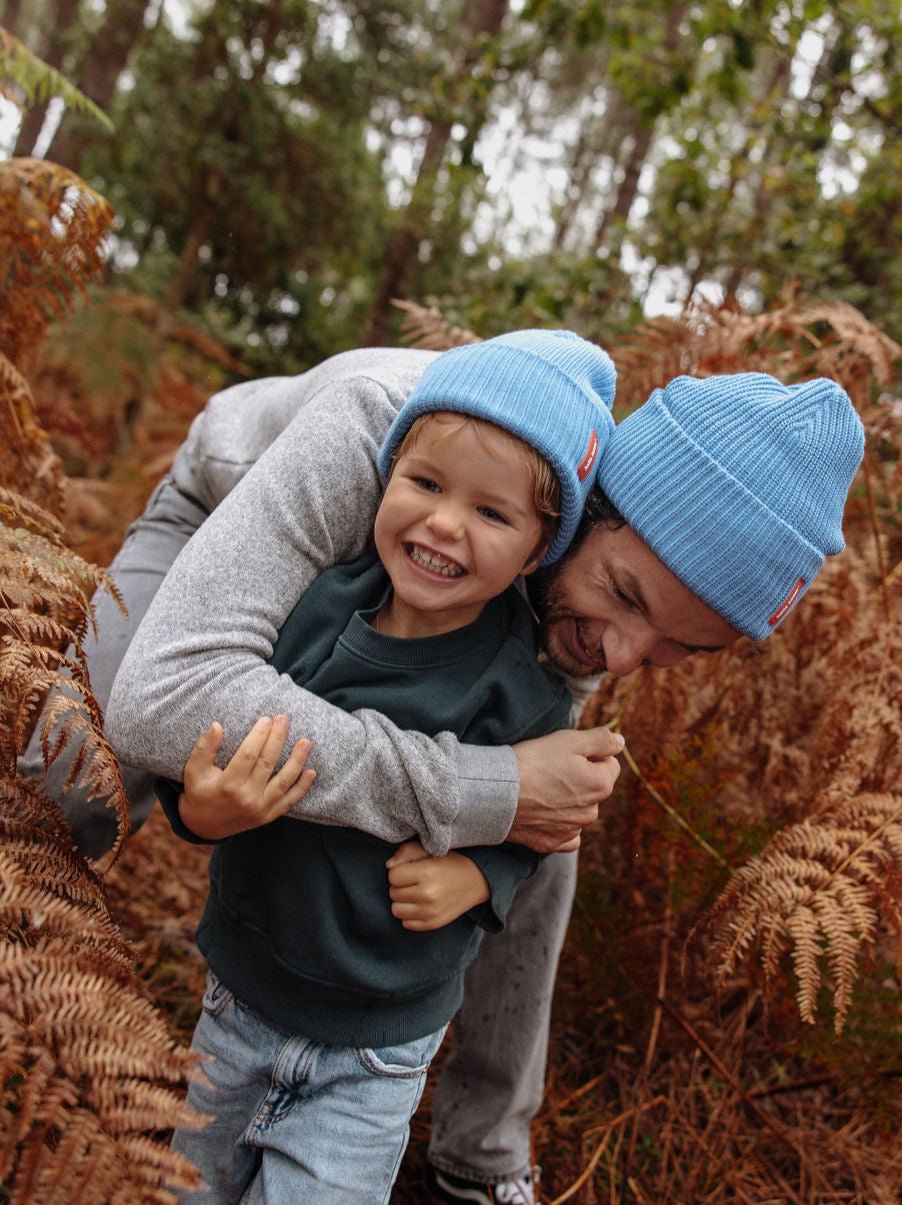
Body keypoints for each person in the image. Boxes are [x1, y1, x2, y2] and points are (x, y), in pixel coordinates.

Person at [24, 350, 864, 1205]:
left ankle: (482, 1153)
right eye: (627, 597)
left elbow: (527, 795)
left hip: (445, 574)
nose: (622, 655)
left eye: (682, 647)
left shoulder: (581, 572)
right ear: (591, 511)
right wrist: (480, 787)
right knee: (64, 774)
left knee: (547, 811)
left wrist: (507, 807)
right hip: (230, 516)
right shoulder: (376, 431)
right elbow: (166, 697)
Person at [158, 329, 616, 1203]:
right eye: (427, 483)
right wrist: (200, 811)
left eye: (492, 513)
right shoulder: (316, 613)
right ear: (387, 471)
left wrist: (480, 877)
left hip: (377, 1051)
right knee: (191, 1187)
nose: (444, 522)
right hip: (240, 1003)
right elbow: (228, 752)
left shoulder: (520, 690)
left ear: (537, 551)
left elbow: (544, 825)